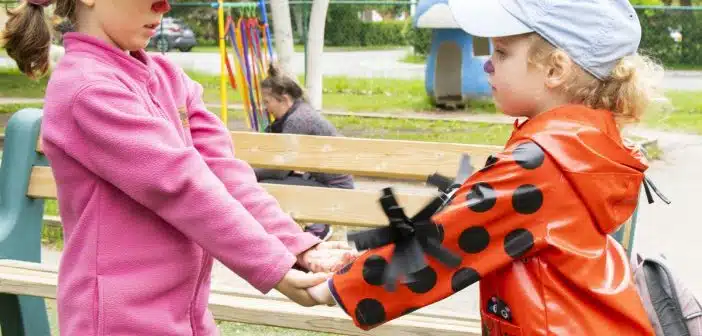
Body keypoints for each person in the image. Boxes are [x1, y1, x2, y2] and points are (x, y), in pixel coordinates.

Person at [308, 0, 664, 335]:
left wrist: (333, 289)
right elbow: (466, 219)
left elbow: (446, 246)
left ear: (555, 69)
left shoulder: (545, 164)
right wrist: (358, 256)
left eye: (502, 52)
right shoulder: (577, 146)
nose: (487, 64)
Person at [1, 0, 356, 335]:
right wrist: (276, 269)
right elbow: (181, 186)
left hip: (188, 315)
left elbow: (223, 172)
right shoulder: (87, 89)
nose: (164, 6)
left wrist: (298, 248)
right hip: (118, 321)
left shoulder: (168, 77)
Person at [255, 65, 355, 241]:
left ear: (284, 99)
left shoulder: (297, 120)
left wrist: (249, 171)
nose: (265, 108)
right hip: (326, 184)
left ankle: (319, 227)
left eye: (267, 101)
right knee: (270, 182)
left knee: (266, 184)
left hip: (336, 191)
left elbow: (280, 170)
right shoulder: (299, 112)